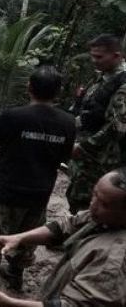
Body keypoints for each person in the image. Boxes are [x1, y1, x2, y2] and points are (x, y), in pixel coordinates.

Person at [0, 66, 76, 297]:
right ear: (58, 92)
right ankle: (15, 274)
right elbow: (65, 156)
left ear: (29, 87)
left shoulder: (14, 116)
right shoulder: (68, 122)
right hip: (41, 190)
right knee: (29, 234)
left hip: (9, 188)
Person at [0, 169, 126, 307]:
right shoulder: (104, 217)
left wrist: (10, 303)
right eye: (94, 195)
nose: (93, 205)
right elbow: (64, 227)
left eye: (104, 203)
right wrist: (18, 238)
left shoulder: (113, 260)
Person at [67, 33, 126, 214]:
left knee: (92, 205)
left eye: (99, 57)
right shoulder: (103, 77)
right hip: (87, 156)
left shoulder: (122, 83)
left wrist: (84, 146)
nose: (94, 60)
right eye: (92, 56)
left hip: (102, 159)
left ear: (117, 56)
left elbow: (118, 126)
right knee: (77, 198)